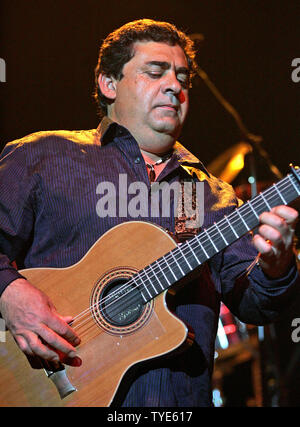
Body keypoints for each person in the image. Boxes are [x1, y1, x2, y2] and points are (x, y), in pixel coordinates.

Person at [0, 19, 299, 407]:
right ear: (109, 84)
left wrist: (277, 265)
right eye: (155, 72)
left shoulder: (207, 195)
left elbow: (256, 304)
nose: (175, 85)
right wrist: (10, 293)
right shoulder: (43, 156)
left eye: (182, 77)